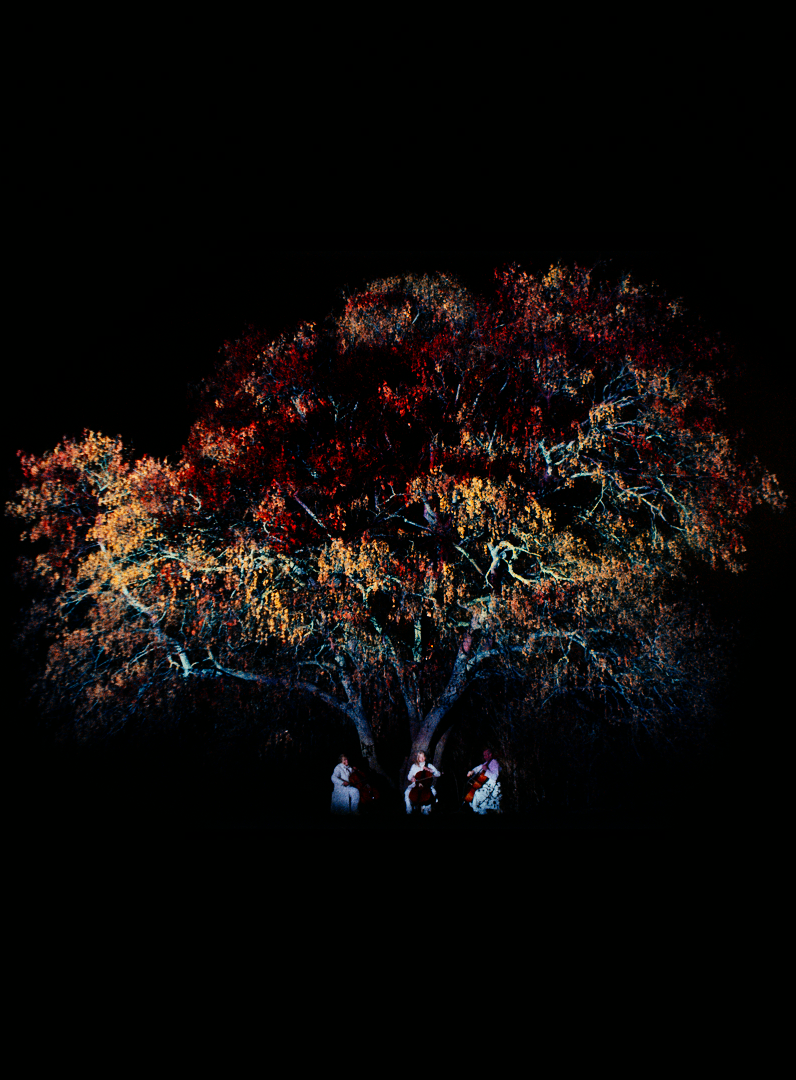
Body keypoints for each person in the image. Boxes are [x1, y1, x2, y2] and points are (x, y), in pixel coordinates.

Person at [464, 748, 502, 814]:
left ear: (490, 755)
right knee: (472, 798)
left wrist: (487, 770)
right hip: (483, 786)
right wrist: (472, 771)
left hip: (491, 788)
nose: (484, 757)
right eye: (483, 755)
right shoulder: (486, 763)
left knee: (477, 797)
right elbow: (478, 768)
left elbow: (495, 777)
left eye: (486, 755)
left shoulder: (495, 763)